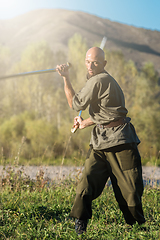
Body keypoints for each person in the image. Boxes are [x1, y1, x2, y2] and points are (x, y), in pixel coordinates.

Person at [56, 47, 145, 235]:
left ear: (104, 64)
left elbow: (75, 104)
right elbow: (106, 115)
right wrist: (84, 123)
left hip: (120, 141)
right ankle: (81, 224)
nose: (90, 65)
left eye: (95, 62)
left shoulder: (100, 80)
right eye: (88, 61)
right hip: (100, 142)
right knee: (87, 180)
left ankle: (138, 229)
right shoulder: (102, 81)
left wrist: (65, 77)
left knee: (129, 189)